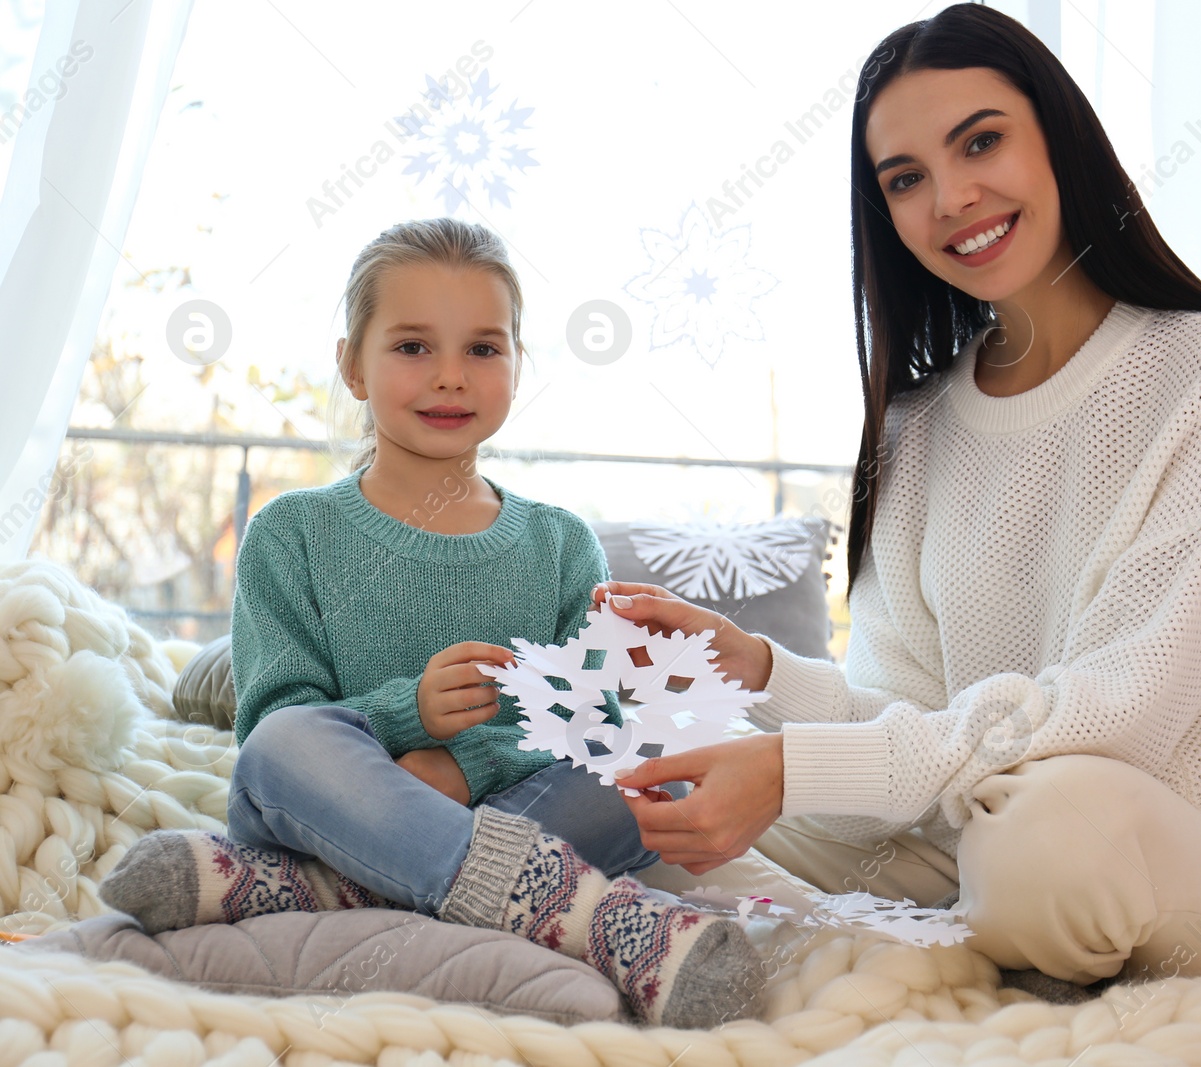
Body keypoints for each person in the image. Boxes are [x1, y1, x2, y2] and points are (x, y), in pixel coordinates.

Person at [604, 3, 1201, 988]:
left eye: (980, 141)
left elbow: (1130, 710)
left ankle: (886, 934)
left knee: (1043, 831)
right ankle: (887, 940)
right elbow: (907, 717)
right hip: (967, 844)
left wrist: (797, 769)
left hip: (1177, 865)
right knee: (651, 775)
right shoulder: (918, 423)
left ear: (1059, 137)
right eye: (905, 179)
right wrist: (758, 672)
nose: (949, 197)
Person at [100, 218, 763, 1029]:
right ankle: (591, 915)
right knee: (282, 749)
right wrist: (407, 714)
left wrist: (465, 768)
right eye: (413, 346)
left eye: (483, 349)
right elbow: (277, 723)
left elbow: (588, 725)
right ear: (352, 365)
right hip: (331, 798)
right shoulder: (291, 533)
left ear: (518, 365)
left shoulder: (560, 543)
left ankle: (317, 885)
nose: (450, 376)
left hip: (482, 806)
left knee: (641, 778)